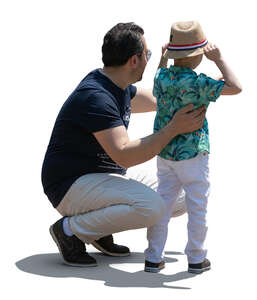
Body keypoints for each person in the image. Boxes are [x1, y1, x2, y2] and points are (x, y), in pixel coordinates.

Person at [41, 22, 207, 267]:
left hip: (96, 176)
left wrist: (188, 87)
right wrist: (174, 128)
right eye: (147, 55)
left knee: (179, 198)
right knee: (154, 207)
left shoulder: (116, 85)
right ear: (133, 60)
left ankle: (94, 228)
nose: (149, 59)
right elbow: (125, 156)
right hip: (69, 185)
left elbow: (156, 100)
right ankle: (70, 230)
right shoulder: (96, 97)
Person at [144, 21, 242, 274]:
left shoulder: (162, 76)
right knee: (197, 205)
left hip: (165, 152)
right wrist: (219, 60)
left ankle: (153, 257)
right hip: (193, 154)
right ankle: (196, 257)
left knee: (162, 204)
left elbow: (158, 82)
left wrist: (164, 58)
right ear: (199, 56)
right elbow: (236, 87)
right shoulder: (200, 83)